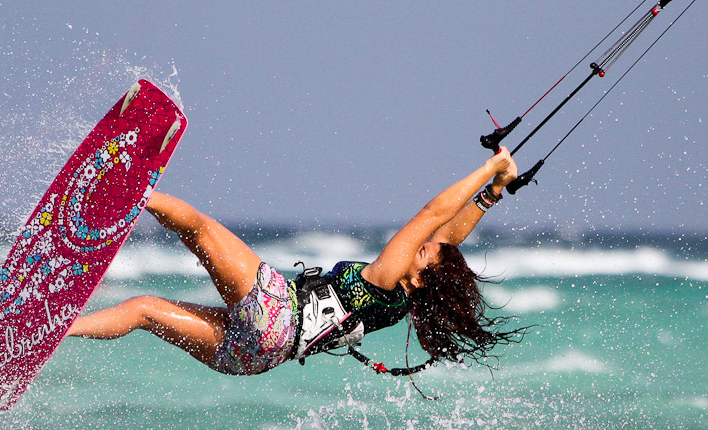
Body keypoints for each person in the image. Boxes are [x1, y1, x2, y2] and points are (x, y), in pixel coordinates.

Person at [67, 147, 522, 376]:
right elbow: (450, 236)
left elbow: (434, 216)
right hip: (260, 356)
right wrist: (494, 191)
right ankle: (59, 330)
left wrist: (489, 165)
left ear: (423, 278)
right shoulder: (401, 303)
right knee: (145, 310)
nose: (427, 243)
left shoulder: (386, 280)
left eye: (426, 251)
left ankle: (123, 191)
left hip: (277, 313)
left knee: (199, 229)